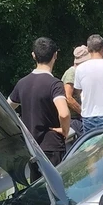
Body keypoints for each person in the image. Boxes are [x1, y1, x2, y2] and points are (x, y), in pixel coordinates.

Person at [8, 37, 71, 181]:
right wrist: (65, 130)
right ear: (55, 55)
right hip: (52, 146)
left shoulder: (22, 83)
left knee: (37, 189)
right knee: (55, 188)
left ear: (33, 55)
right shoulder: (55, 84)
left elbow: (6, 108)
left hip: (31, 147)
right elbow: (64, 114)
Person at [74, 34, 103, 135]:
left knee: (90, 144)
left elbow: (78, 90)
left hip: (88, 115)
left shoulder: (80, 69)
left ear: (88, 49)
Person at [60, 45, 89, 139]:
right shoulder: (72, 72)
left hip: (78, 117)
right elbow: (68, 97)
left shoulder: (79, 72)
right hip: (73, 118)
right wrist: (83, 112)